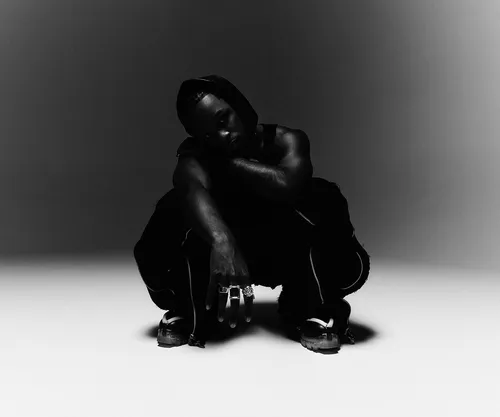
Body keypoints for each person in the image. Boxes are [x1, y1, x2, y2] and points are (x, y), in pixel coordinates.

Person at [133, 75, 370, 353]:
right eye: (207, 135)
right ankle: (189, 307)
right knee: (173, 207)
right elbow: (191, 187)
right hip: (224, 261)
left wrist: (222, 162)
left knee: (322, 197)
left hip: (287, 252)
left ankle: (315, 306)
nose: (222, 136)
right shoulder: (193, 158)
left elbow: (287, 183)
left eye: (224, 120)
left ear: (239, 105)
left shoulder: (287, 140)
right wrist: (222, 241)